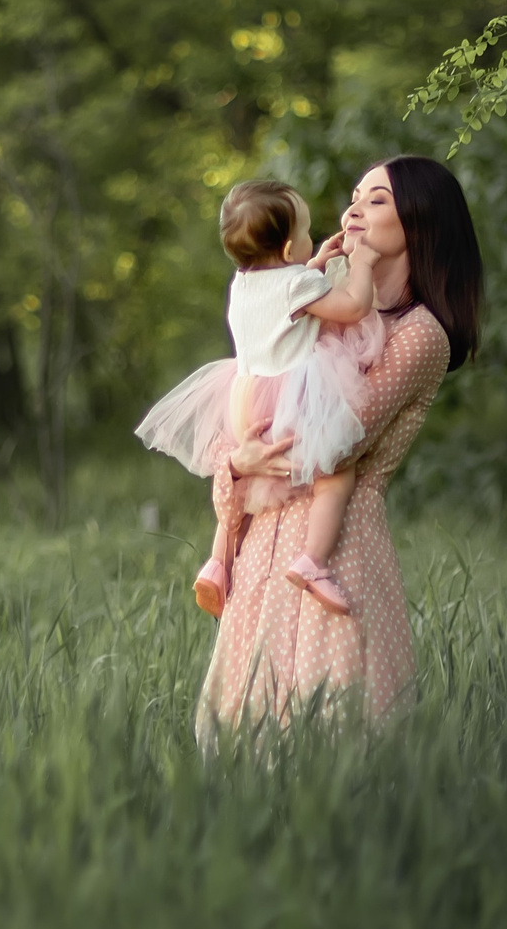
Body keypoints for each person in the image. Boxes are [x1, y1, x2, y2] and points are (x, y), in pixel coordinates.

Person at [192, 156, 481, 743]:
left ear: (419, 221)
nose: (354, 210)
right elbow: (246, 419)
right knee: (247, 742)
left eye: (377, 200)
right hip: (263, 555)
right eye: (354, 197)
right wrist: (236, 462)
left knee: (334, 734)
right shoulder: (315, 296)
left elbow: (337, 442)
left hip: (337, 549)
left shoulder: (419, 333)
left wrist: (250, 452)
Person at [136, 180, 386, 617]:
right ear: (289, 249)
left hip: (241, 395)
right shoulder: (297, 284)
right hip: (286, 395)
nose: (311, 239)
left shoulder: (243, 282)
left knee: (250, 482)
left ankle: (218, 563)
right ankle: (313, 561)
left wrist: (315, 263)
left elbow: (286, 293)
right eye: (305, 233)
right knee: (334, 475)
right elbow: (352, 307)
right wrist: (361, 264)